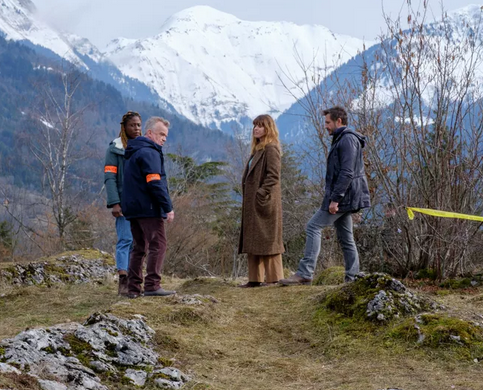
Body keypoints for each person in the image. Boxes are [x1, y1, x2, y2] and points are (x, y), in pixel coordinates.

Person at [280, 106, 370, 285]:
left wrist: (335, 199)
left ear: (339, 121)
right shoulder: (343, 139)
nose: (325, 126)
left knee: (313, 226)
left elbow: (346, 172)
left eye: (328, 122)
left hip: (344, 197)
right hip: (348, 196)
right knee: (346, 237)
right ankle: (352, 278)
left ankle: (305, 273)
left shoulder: (347, 140)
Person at [121, 116, 175, 298]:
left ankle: (133, 288)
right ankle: (152, 285)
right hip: (148, 207)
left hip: (133, 208)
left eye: (166, 135)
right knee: (158, 244)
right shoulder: (150, 152)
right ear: (150, 133)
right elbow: (155, 183)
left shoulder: (134, 151)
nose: (164, 139)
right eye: (161, 134)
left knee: (138, 247)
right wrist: (167, 207)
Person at [238, 114, 285, 287]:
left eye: (260, 126)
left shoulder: (271, 148)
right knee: (253, 240)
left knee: (268, 241)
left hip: (264, 203)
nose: (256, 129)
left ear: (268, 128)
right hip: (253, 204)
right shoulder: (258, 149)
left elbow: (274, 175)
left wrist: (261, 192)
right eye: (255, 126)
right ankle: (255, 279)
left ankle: (274, 279)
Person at [104, 111, 142, 295]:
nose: (136, 128)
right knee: (125, 240)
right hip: (124, 202)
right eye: (132, 125)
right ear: (124, 127)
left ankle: (136, 281)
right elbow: (109, 177)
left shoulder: (144, 146)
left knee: (140, 242)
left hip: (141, 202)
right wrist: (114, 203)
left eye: (139, 125)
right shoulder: (115, 149)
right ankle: (123, 281)